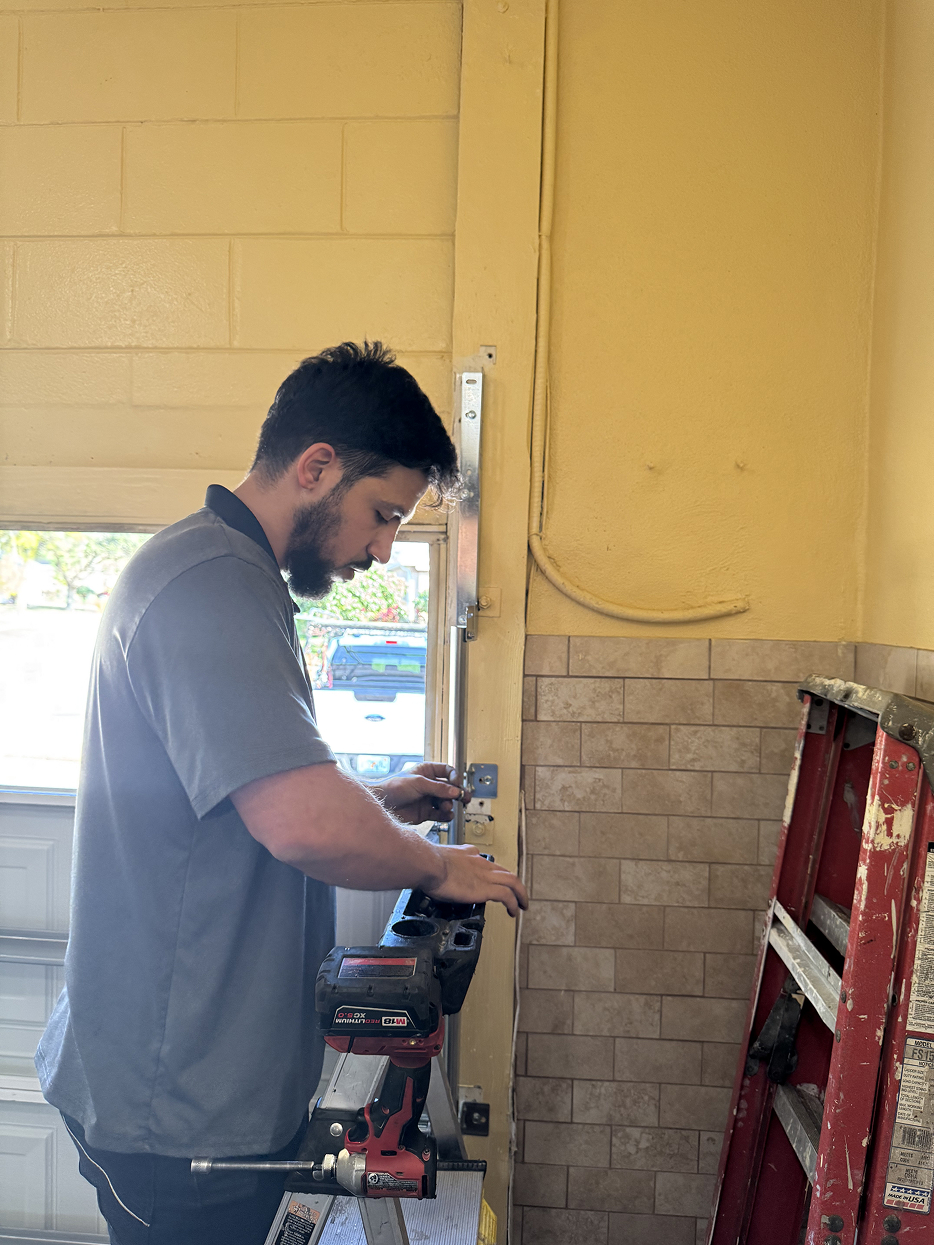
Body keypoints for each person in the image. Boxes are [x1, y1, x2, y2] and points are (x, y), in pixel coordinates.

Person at [35, 341, 528, 1245]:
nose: (382, 550)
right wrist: (437, 866)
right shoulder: (211, 584)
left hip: (187, 1084)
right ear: (315, 467)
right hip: (171, 1102)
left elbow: (235, 791)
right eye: (382, 515)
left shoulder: (230, 577)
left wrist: (379, 796)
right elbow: (299, 819)